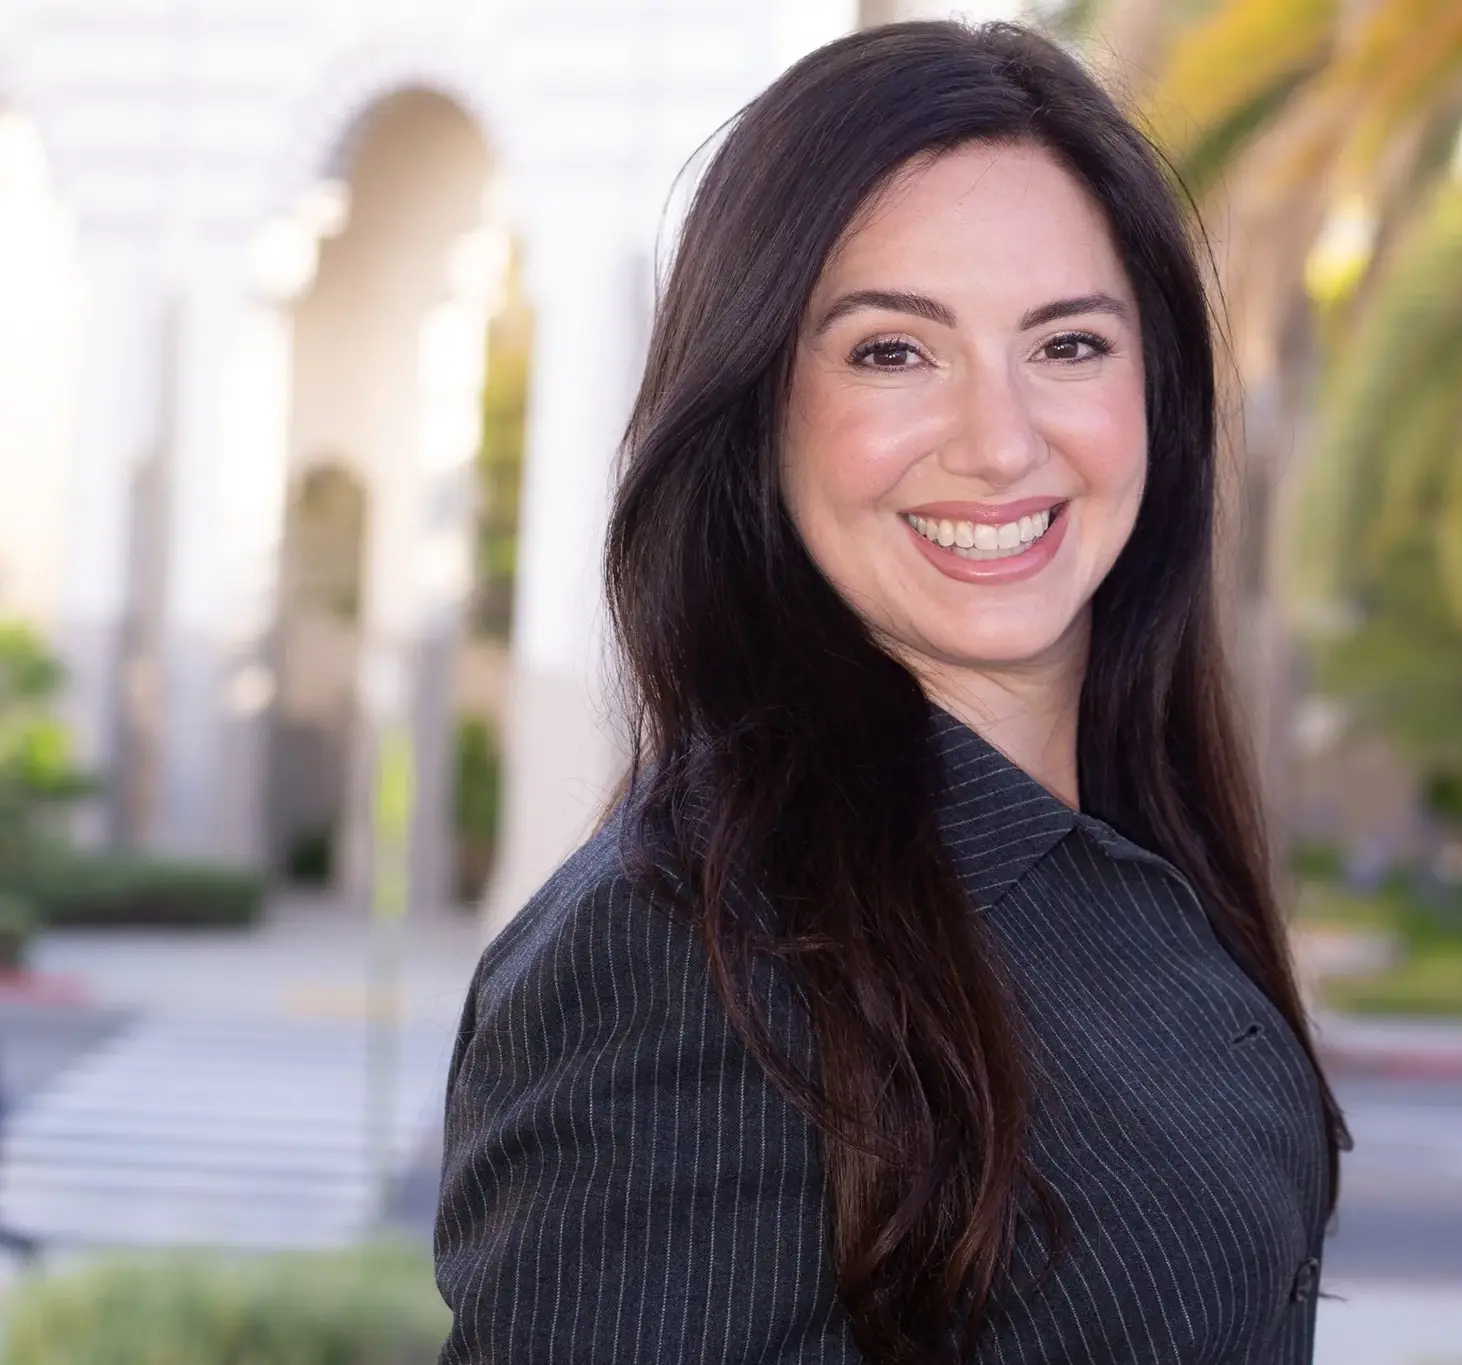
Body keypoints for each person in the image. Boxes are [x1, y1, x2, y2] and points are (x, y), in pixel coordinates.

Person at [433, 20, 1350, 1364]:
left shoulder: (1142, 872)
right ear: (758, 403)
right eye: (893, 352)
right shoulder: (680, 959)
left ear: (1157, 393)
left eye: (1069, 345)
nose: (1001, 442)